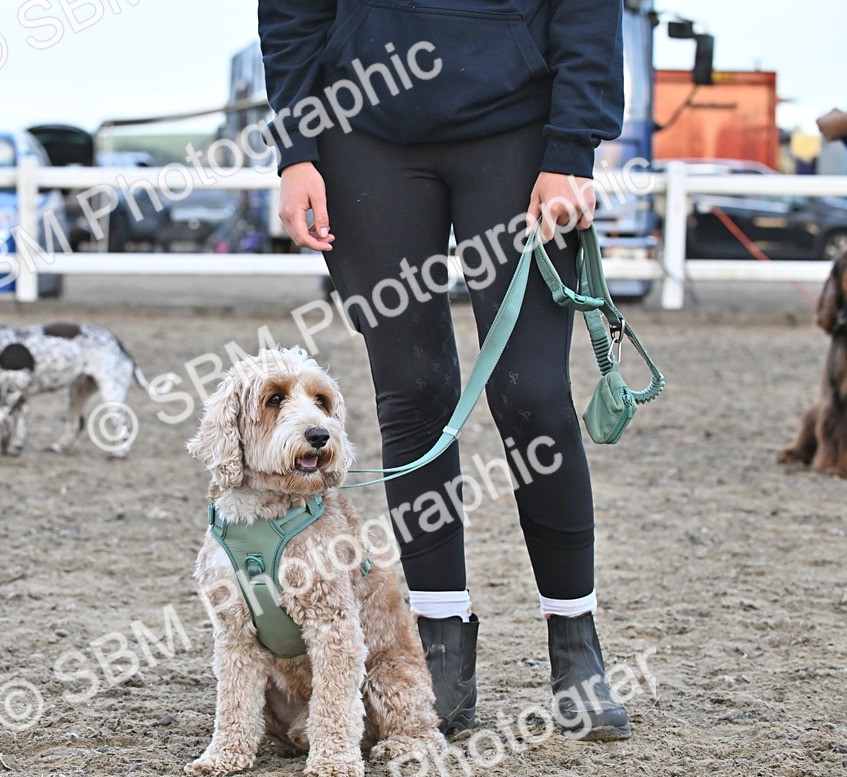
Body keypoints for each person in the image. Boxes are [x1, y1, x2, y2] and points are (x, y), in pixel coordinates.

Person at [258, 1, 631, 739]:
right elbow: (292, 12)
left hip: (519, 131)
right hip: (364, 132)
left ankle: (575, 642)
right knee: (413, 394)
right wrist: (296, 150)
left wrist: (572, 150)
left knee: (533, 395)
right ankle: (438, 646)